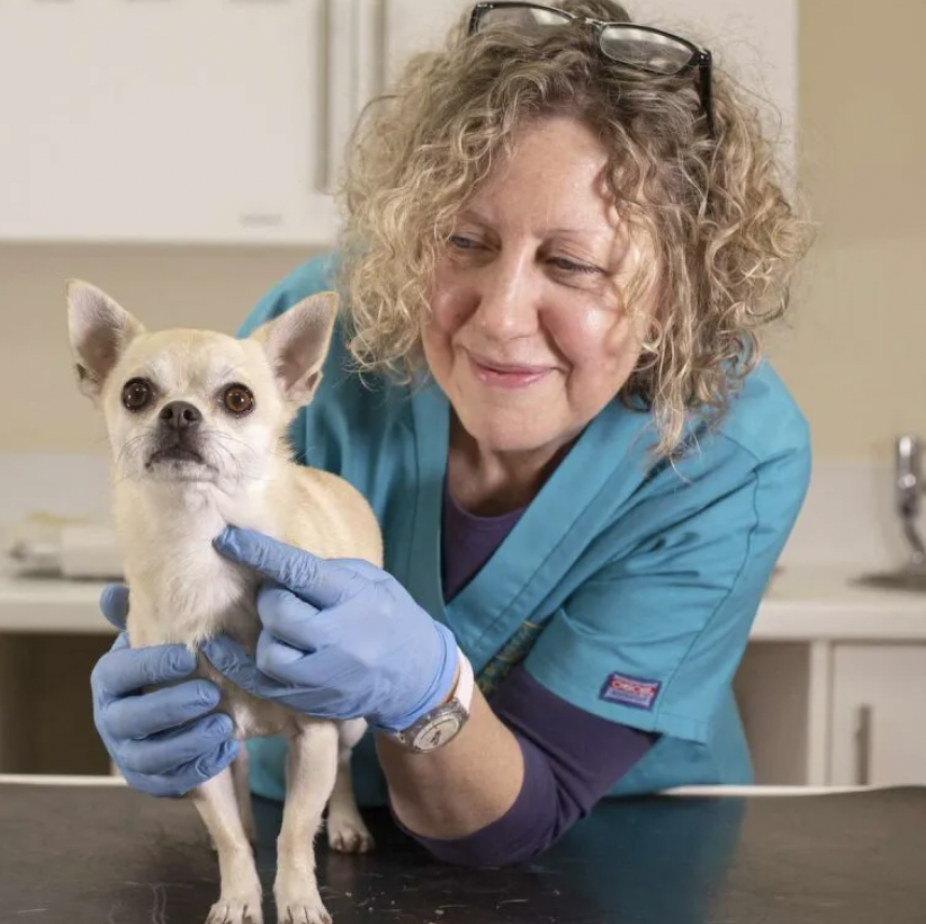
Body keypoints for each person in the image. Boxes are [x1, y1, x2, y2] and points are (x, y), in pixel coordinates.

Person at [89, 0, 812, 866]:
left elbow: (511, 817)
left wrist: (422, 690)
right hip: (313, 825)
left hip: (615, 849)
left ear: (676, 295)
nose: (500, 318)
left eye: (573, 264)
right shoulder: (320, 334)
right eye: (464, 240)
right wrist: (161, 701)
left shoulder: (734, 454)